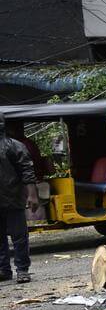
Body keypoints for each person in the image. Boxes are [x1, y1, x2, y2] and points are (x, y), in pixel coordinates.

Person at [0, 115, 37, 284]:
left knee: (19, 237)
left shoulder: (14, 146)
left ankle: (22, 269)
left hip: (13, 197)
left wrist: (32, 194)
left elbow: (27, 171)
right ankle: (3, 270)